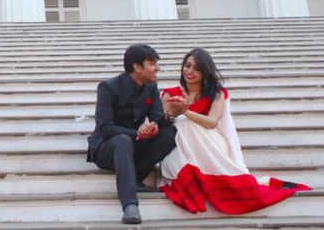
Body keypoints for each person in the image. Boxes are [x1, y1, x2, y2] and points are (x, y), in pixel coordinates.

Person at [159, 48, 310, 214]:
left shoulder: (216, 93)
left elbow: (211, 122)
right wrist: (176, 113)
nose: (190, 71)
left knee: (186, 122)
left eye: (197, 69)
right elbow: (164, 124)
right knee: (182, 124)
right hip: (181, 146)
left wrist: (185, 111)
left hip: (211, 143)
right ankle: (193, 175)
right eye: (187, 66)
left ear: (205, 72)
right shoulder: (169, 95)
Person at [87, 44, 186, 225]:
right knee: (123, 140)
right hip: (107, 147)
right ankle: (130, 206)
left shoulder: (151, 87)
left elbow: (157, 119)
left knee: (170, 133)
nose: (158, 68)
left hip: (135, 145)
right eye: (152, 63)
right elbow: (105, 127)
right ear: (137, 67)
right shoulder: (108, 87)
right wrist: (137, 133)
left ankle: (135, 176)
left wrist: (171, 113)